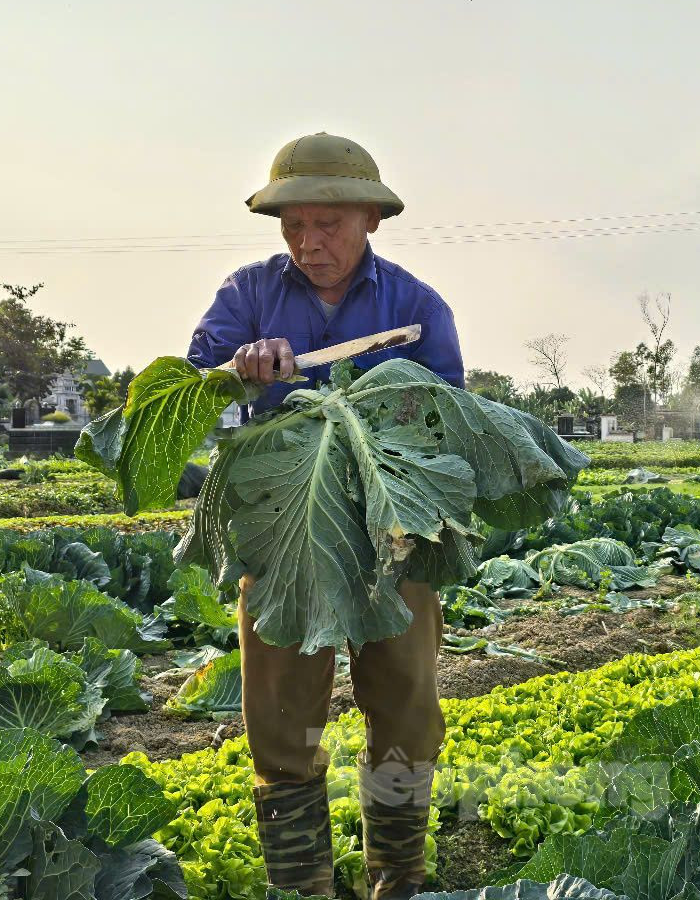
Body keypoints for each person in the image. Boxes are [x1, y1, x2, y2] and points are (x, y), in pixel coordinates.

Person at [187, 132, 464, 899]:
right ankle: (303, 885)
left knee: (406, 705)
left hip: (392, 531)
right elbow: (190, 393)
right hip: (282, 528)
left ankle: (398, 875)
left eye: (328, 225)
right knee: (280, 715)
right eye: (293, 225)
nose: (309, 243)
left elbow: (451, 420)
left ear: (371, 217)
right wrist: (233, 376)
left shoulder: (415, 305)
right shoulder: (247, 295)